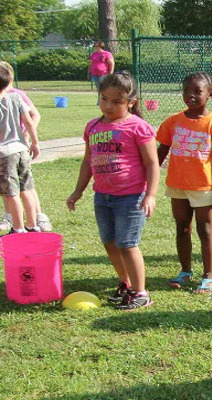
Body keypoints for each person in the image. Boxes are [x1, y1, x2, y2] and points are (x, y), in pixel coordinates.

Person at [66, 71, 159, 310]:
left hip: (131, 196)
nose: (108, 105)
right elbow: (88, 162)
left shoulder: (138, 127)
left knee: (127, 243)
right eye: (104, 98)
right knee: (109, 241)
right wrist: (78, 191)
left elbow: (152, 163)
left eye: (117, 101)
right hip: (103, 196)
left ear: (131, 102)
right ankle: (125, 284)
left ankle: (141, 292)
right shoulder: (93, 127)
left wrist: (150, 195)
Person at [157, 72, 212, 294]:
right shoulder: (172, 121)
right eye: (186, 91)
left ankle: (209, 277)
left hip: (204, 186)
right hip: (177, 184)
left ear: (210, 95)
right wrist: (146, 175)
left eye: (197, 91)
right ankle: (185, 271)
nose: (190, 95)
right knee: (182, 228)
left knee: (205, 229)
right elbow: (161, 151)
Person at [0, 61, 53, 232]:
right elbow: (29, 121)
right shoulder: (16, 97)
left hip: (5, 153)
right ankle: (32, 224)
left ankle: (18, 228)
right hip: (22, 150)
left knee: (11, 193)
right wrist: (35, 142)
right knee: (27, 189)